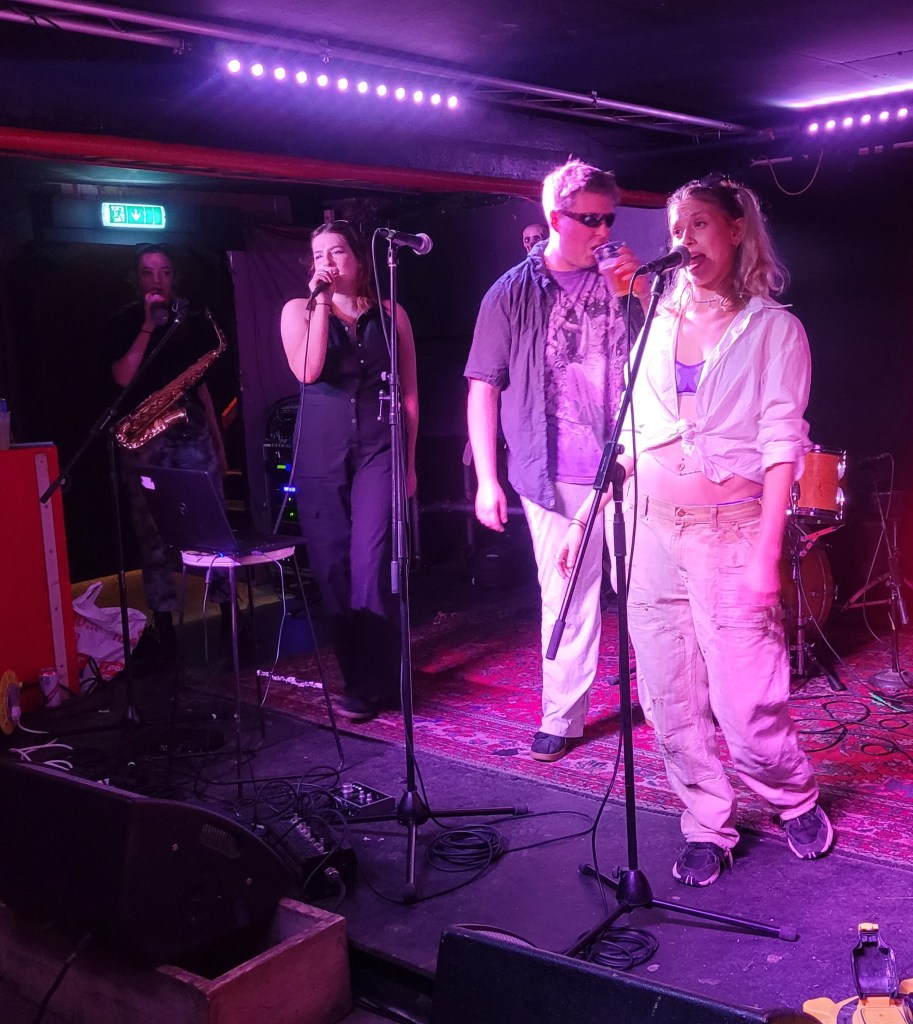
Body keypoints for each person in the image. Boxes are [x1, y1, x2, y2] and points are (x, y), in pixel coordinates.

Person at [557, 173, 835, 885]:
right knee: (669, 697)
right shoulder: (653, 318)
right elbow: (631, 432)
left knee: (746, 699)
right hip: (649, 529)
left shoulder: (774, 329)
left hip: (731, 530)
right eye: (677, 230)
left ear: (736, 230)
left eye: (700, 225)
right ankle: (706, 820)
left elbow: (783, 447)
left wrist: (766, 552)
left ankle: (791, 795)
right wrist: (587, 514)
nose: (685, 241)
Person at [466, 158, 646, 763]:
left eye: (608, 219)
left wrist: (639, 291)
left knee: (648, 592)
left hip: (631, 462)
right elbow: (483, 386)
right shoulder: (510, 293)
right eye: (589, 219)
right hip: (553, 470)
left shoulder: (626, 280)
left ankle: (667, 699)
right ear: (554, 217)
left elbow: (664, 356)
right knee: (568, 594)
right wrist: (487, 479)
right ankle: (562, 716)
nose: (602, 230)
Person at [280, 221, 419, 721]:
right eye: (318, 254)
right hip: (321, 455)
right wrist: (320, 303)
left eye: (337, 252)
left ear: (358, 259)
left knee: (372, 562)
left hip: (379, 448)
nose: (328, 262)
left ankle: (379, 678)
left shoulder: (392, 313)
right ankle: (358, 678)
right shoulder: (297, 309)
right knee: (333, 568)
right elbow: (308, 369)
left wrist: (409, 463)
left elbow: (409, 395)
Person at [105, 243, 230, 658]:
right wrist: (147, 325)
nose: (156, 281)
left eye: (164, 272)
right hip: (146, 437)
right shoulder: (124, 321)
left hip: (190, 431)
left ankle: (228, 612)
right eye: (147, 272)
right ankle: (163, 626)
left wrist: (217, 441)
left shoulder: (191, 321)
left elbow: (201, 387)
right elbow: (123, 378)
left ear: (174, 277)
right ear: (135, 278)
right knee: (153, 534)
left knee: (212, 527)